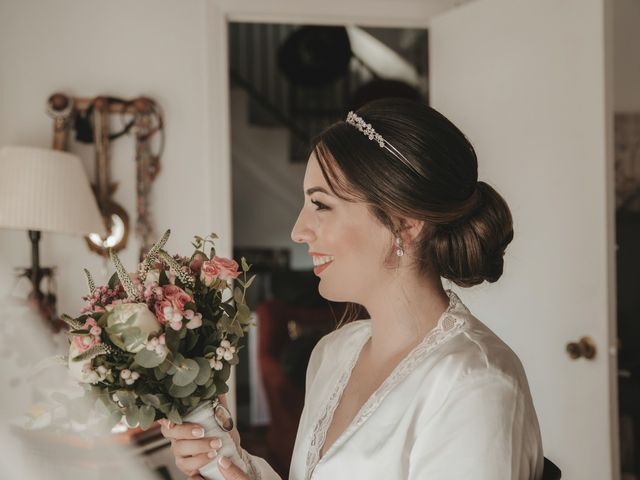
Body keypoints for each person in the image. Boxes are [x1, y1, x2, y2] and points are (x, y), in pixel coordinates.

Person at [160, 98, 545, 479]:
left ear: (406, 224)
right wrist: (223, 454)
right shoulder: (334, 353)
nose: (298, 231)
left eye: (321, 205)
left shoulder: (475, 382)